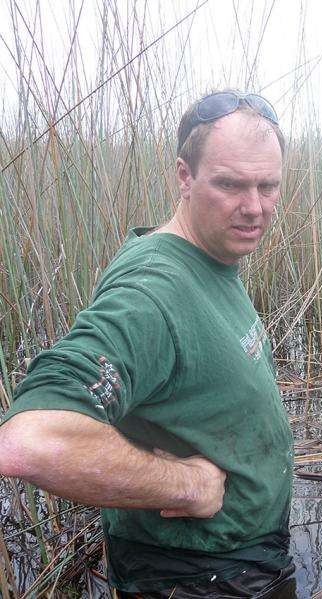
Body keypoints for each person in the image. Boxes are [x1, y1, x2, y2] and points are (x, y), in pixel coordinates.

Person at [0, 91, 296, 598]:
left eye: (267, 186)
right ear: (184, 176)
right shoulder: (151, 293)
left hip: (241, 562)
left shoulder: (211, 256)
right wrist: (187, 485)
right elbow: (32, 441)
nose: (254, 207)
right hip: (195, 576)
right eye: (229, 184)